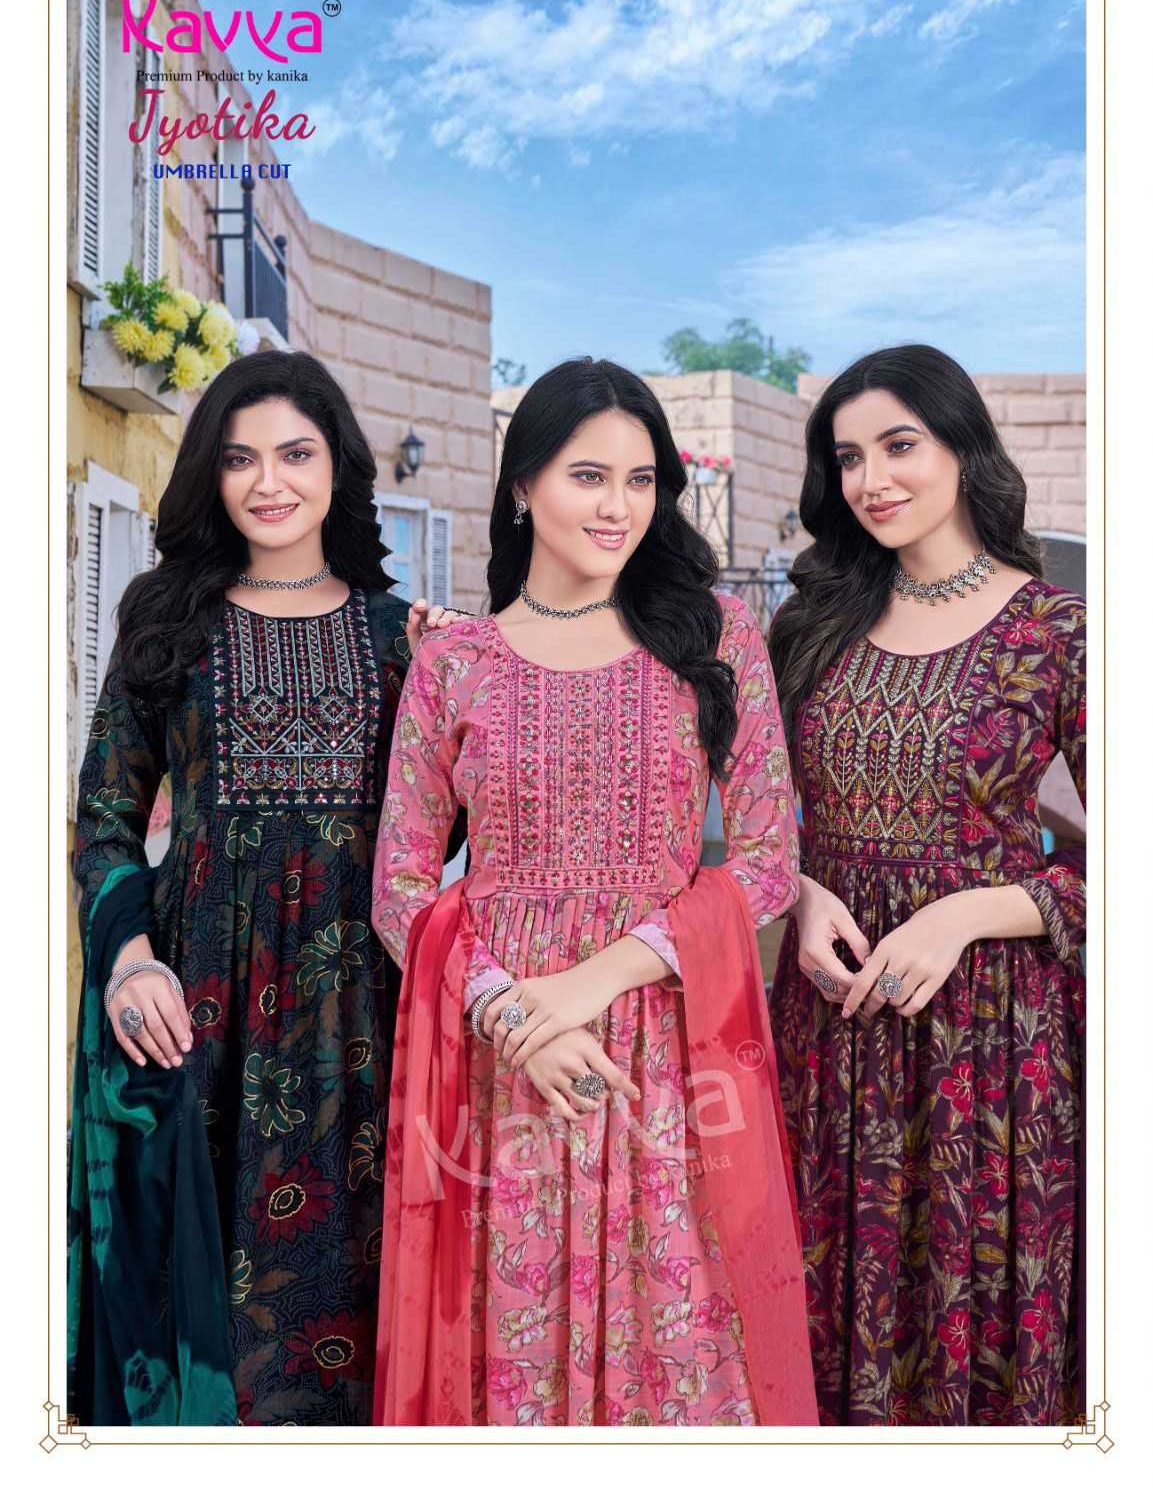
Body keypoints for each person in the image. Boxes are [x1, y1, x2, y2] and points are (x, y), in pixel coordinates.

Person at [370, 358, 816, 1428]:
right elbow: (399, 885)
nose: (619, 506)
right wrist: (515, 1016)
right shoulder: (454, 661)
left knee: (684, 1353)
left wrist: (590, 983)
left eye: (641, 478)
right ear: (521, 485)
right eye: (588, 476)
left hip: (668, 1056)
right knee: (509, 1356)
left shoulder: (713, 636)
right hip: (503, 1061)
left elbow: (767, 857)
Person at [68, 350, 462, 1426]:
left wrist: (454, 702)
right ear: (211, 471)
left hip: (361, 1033)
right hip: (194, 1016)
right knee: (192, 1316)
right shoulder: (165, 617)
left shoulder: (399, 638)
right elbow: (104, 815)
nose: (269, 481)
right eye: (240, 459)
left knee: (355, 1315)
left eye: (296, 454)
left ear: (339, 466)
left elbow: (445, 836)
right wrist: (129, 962)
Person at [767, 344, 1085, 1426]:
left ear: (960, 445)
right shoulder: (810, 623)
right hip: (827, 1023)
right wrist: (795, 888)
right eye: (848, 457)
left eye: (898, 445)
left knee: (968, 1311)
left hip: (989, 1047)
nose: (872, 479)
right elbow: (738, 806)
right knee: (817, 1308)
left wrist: (966, 914)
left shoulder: (1056, 632)